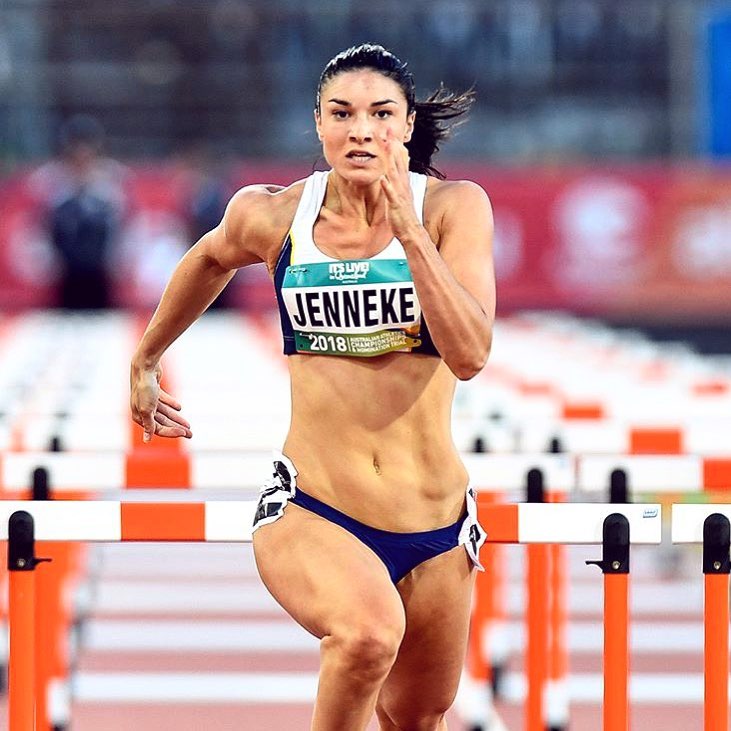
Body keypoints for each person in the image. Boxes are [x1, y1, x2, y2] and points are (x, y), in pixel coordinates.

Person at [130, 43, 495, 731]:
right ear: (318, 124)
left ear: (407, 126)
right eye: (342, 113)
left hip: (434, 521)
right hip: (315, 506)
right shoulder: (276, 215)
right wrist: (145, 357)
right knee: (364, 635)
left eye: (380, 114)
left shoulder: (453, 208)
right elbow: (209, 256)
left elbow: (471, 353)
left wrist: (410, 235)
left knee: (418, 717)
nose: (361, 130)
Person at [30, 114, 126, 309]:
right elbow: (41, 225)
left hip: (99, 268)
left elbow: (121, 224)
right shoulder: (51, 181)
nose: (82, 155)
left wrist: (117, 259)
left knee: (101, 320)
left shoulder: (111, 182)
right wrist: (46, 260)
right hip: (66, 269)